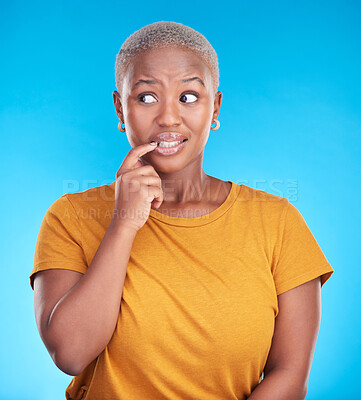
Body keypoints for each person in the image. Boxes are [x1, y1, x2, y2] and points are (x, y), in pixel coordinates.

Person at [30, 21, 334, 400]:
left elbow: (290, 376)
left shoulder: (277, 222)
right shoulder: (71, 216)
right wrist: (124, 224)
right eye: (145, 97)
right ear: (120, 108)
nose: (169, 118)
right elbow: (71, 353)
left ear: (215, 108)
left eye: (188, 97)